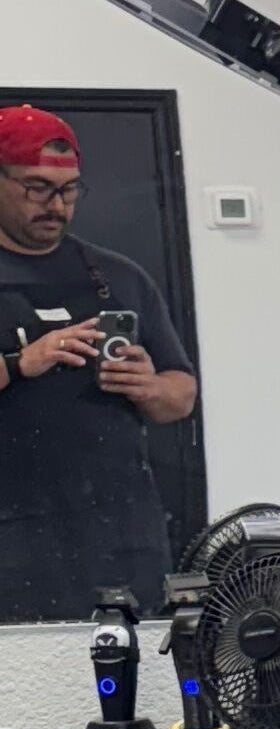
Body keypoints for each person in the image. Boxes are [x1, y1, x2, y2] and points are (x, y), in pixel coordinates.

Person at [0, 104, 197, 610]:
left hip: (121, 535)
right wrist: (22, 363)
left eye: (68, 191)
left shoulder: (120, 276)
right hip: (12, 536)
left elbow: (182, 395)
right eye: (36, 187)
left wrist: (150, 387)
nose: (56, 205)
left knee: (134, 673)